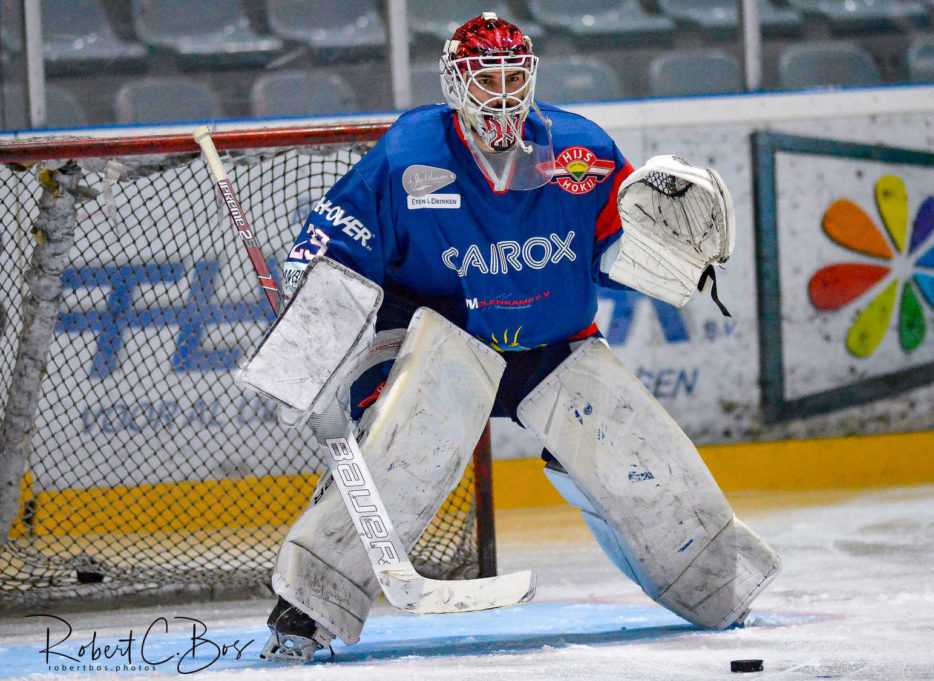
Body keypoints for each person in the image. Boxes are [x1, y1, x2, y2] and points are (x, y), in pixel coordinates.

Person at [256, 12, 780, 663]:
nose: (501, 92)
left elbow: (622, 244)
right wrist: (312, 316)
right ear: (454, 84)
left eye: (512, 75)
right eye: (485, 79)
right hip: (434, 331)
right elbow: (335, 246)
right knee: (413, 442)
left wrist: (669, 242)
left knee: (639, 453)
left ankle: (714, 584)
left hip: (551, 346)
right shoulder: (408, 153)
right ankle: (307, 603)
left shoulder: (579, 150)